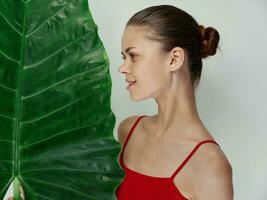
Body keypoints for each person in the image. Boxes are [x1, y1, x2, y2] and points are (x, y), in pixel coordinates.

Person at [115, 4, 233, 200]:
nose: (123, 68)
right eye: (124, 57)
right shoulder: (128, 131)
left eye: (133, 56)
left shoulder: (209, 165)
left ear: (174, 59)